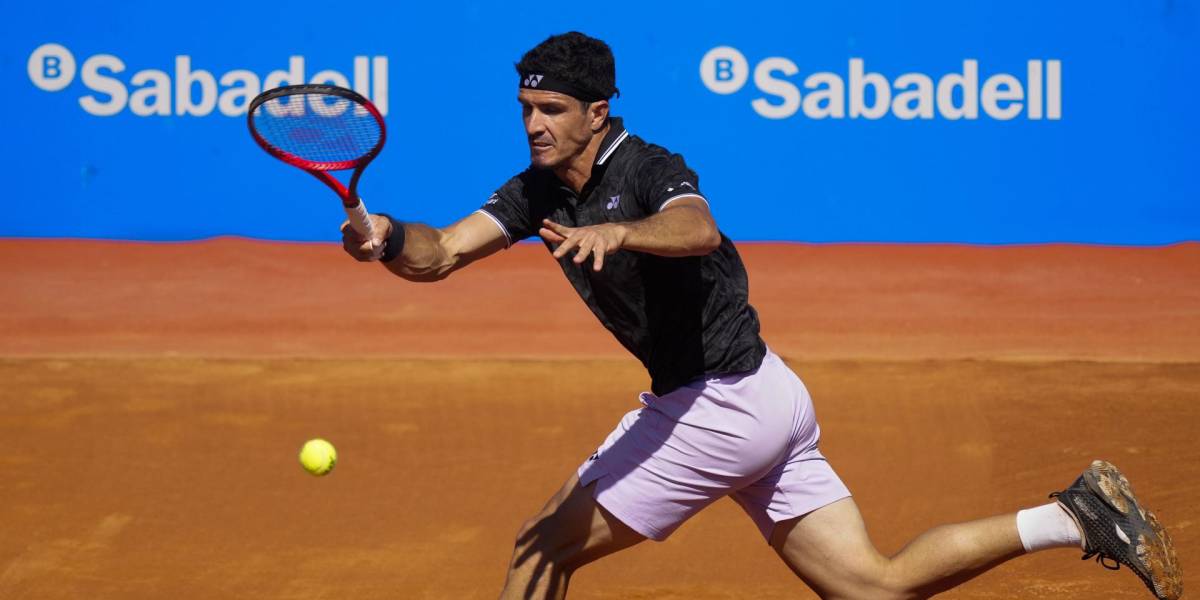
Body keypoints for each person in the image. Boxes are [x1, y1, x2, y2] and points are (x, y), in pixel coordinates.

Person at [341, 32, 1182, 600]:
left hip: (717, 409)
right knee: (872, 586)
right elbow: (443, 251)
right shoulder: (533, 190)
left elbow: (696, 227)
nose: (535, 125)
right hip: (767, 398)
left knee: (541, 548)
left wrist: (620, 230)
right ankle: (1073, 515)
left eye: (553, 110)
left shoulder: (648, 168)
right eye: (527, 109)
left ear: (597, 113)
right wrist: (385, 240)